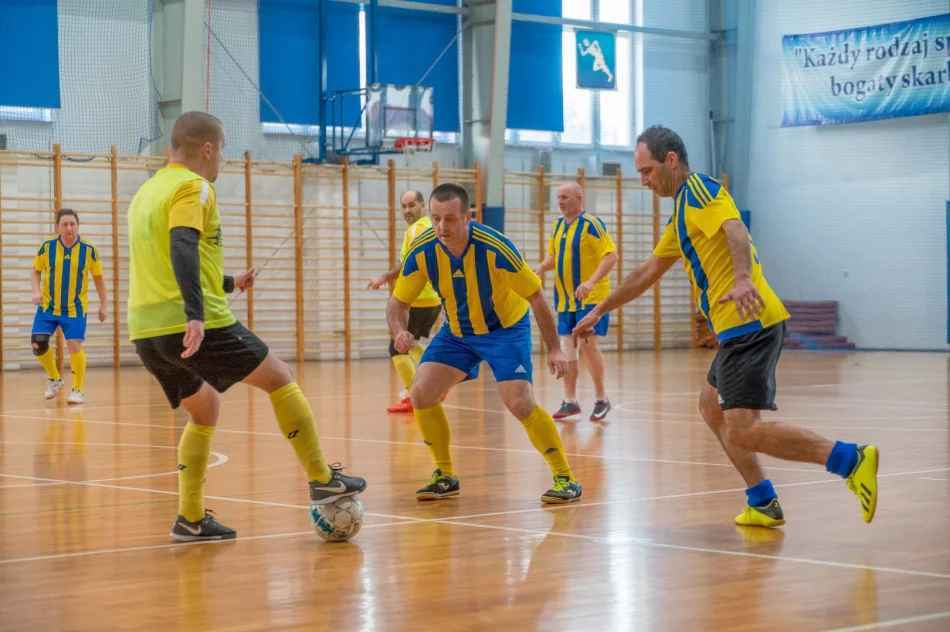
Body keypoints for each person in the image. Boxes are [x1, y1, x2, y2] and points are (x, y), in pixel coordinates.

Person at [574, 125, 879, 526]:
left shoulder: (699, 191)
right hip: (737, 329)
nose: (643, 181)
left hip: (749, 324)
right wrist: (599, 309)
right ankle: (762, 501)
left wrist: (742, 278)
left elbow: (735, 228)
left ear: (671, 161)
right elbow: (649, 270)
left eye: (646, 171)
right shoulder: (683, 210)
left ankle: (850, 460)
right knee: (710, 407)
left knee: (743, 431)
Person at [126, 111, 366, 542]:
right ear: (208, 149)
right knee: (280, 377)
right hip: (193, 322)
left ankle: (190, 518)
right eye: (222, 151)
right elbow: (183, 246)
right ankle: (321, 477)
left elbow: (171, 262)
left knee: (205, 409)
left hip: (146, 331)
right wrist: (196, 314)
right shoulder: (193, 186)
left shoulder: (147, 192)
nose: (222, 160)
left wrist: (230, 282)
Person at [386, 183, 582, 504]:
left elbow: (536, 296)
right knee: (421, 392)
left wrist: (555, 348)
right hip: (457, 333)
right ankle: (446, 475)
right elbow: (397, 303)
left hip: (505, 330)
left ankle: (565, 478)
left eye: (450, 220)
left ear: (468, 217)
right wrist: (399, 331)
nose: (441, 227)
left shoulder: (495, 248)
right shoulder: (422, 250)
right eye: (435, 218)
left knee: (519, 403)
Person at [533, 183, 618, 421]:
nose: (560, 201)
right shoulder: (558, 226)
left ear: (579, 198)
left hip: (591, 299)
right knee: (567, 348)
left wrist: (590, 281)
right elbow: (554, 257)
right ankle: (569, 401)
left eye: (565, 197)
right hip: (565, 300)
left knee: (589, 344)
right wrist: (541, 266)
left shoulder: (591, 224)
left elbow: (611, 256)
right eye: (558, 197)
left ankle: (602, 399)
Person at [368, 190, 444, 413]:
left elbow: (408, 264)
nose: (408, 210)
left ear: (423, 205)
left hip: (418, 298)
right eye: (404, 206)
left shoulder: (417, 229)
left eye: (412, 205)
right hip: (430, 298)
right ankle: (433, 384)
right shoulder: (427, 228)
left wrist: (383, 278)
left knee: (397, 348)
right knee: (409, 345)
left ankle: (419, 393)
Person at [30, 209, 108, 404]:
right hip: (48, 307)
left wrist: (104, 305)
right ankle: (55, 378)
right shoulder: (47, 247)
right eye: (64, 224)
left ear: (78, 226)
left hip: (75, 308)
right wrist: (36, 292)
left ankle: (78, 390)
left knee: (73, 344)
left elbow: (99, 279)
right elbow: (35, 271)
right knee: (38, 344)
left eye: (72, 224)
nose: (69, 228)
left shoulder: (89, 250)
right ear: (57, 227)